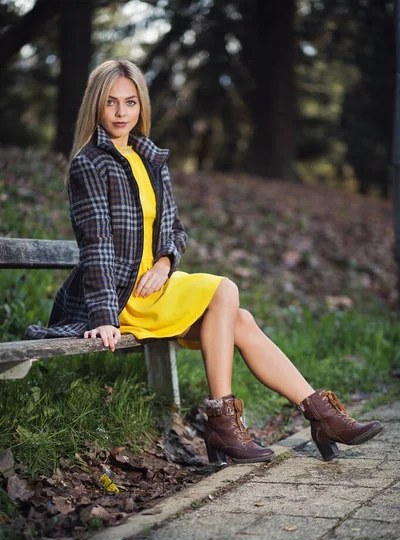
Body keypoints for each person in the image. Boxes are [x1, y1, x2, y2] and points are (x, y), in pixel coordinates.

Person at [26, 59, 382, 464]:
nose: (121, 113)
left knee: (241, 320)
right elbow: (97, 244)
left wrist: (164, 264)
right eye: (111, 103)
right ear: (96, 106)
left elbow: (175, 230)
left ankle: (317, 415)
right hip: (122, 295)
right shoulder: (89, 164)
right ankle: (226, 421)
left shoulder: (150, 159)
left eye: (130, 102)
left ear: (142, 106)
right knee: (224, 289)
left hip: (155, 285)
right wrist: (104, 314)